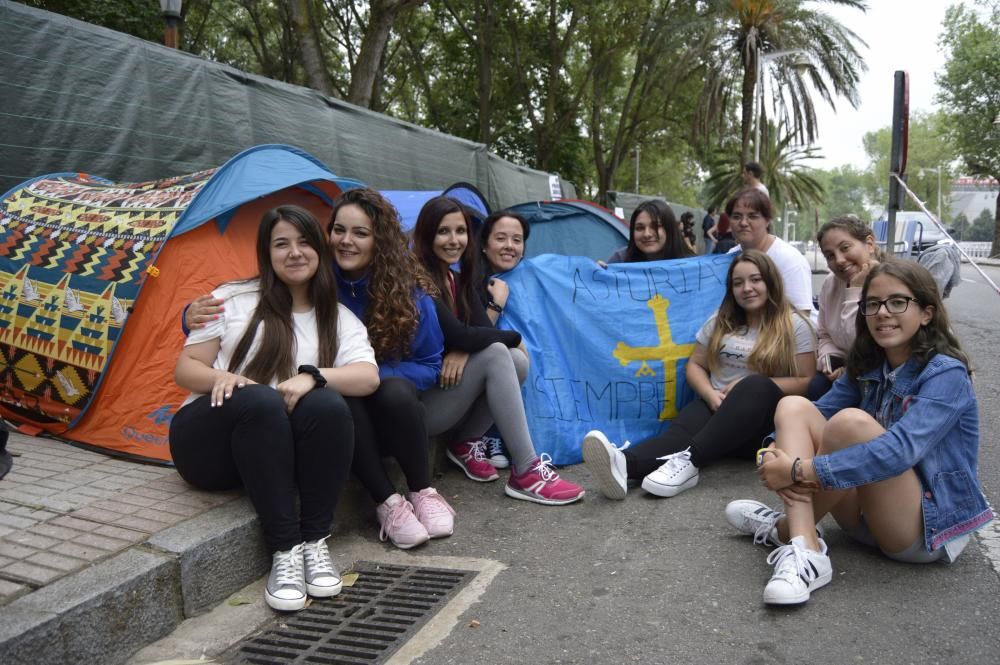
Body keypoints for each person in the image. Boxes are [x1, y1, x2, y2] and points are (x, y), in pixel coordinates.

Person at [726, 259, 991, 606]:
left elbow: (899, 452)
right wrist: (771, 453)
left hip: (923, 531)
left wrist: (796, 470)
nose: (883, 313)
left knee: (851, 424)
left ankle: (785, 529)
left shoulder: (945, 375)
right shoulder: (868, 364)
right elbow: (816, 414)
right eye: (872, 304)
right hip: (861, 521)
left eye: (898, 302)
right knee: (793, 406)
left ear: (926, 313)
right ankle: (805, 549)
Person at [170, 205, 379, 612]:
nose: (294, 252)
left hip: (271, 456)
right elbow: (184, 369)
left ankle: (313, 543)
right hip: (207, 447)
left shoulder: (336, 318)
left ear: (319, 249)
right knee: (262, 399)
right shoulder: (229, 299)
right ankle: (284, 550)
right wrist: (223, 379)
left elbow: (368, 376)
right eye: (281, 244)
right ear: (267, 254)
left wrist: (313, 375)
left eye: (303, 242)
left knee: (329, 405)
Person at [582, 250, 815, 500]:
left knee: (755, 385)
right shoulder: (721, 321)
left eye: (755, 279)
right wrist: (710, 395)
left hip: (761, 429)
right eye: (738, 283)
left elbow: (805, 381)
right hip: (716, 409)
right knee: (678, 435)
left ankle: (690, 463)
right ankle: (623, 464)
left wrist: (745, 385)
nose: (747, 288)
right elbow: (695, 365)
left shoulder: (794, 325)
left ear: (770, 281)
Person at [412, 195, 585, 505]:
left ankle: (465, 443)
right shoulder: (417, 280)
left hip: (447, 390)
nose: (454, 240)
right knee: (500, 352)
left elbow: (481, 331)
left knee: (515, 360)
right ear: (426, 234)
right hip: (419, 407)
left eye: (460, 231)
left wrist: (467, 348)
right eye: (443, 231)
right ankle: (527, 471)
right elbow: (462, 334)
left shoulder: (456, 278)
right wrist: (514, 336)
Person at [327, 188, 455, 550]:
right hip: (338, 412)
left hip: (391, 413)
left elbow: (430, 367)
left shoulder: (410, 294)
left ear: (379, 240)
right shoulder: (314, 279)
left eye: (360, 233)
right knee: (342, 394)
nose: (346, 241)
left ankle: (422, 491)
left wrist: (371, 377)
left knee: (393, 389)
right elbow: (257, 299)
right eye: (339, 230)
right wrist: (191, 315)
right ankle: (387, 503)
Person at [476, 209, 533, 468]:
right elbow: (474, 335)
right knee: (507, 359)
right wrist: (496, 303)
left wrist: (594, 271)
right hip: (477, 368)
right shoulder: (470, 281)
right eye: (501, 238)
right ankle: (486, 436)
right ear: (485, 245)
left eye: (517, 240)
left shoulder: (532, 278)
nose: (510, 246)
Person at [809, 216, 881, 400]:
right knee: (815, 387)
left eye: (845, 248)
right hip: (847, 369)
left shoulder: (889, 282)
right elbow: (824, 333)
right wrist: (831, 360)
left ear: (869, 244)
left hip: (878, 373)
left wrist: (856, 290)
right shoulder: (831, 284)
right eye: (830, 256)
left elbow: (857, 341)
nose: (839, 260)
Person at [726, 187, 814, 314]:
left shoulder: (789, 260)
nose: (743, 223)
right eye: (736, 216)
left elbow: (802, 315)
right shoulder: (730, 257)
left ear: (767, 221)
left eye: (752, 216)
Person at [606, 199, 695, 264]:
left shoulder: (692, 264)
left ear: (670, 229)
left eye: (655, 226)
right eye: (640, 228)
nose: (647, 234)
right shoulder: (620, 260)